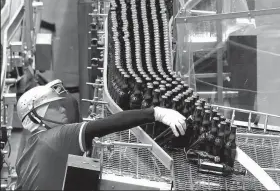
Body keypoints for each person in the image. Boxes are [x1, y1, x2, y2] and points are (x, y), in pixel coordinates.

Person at [15, 79, 187, 190]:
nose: (61, 110)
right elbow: (108, 124)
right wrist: (155, 113)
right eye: (53, 108)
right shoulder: (57, 137)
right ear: (35, 117)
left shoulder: (25, 156)